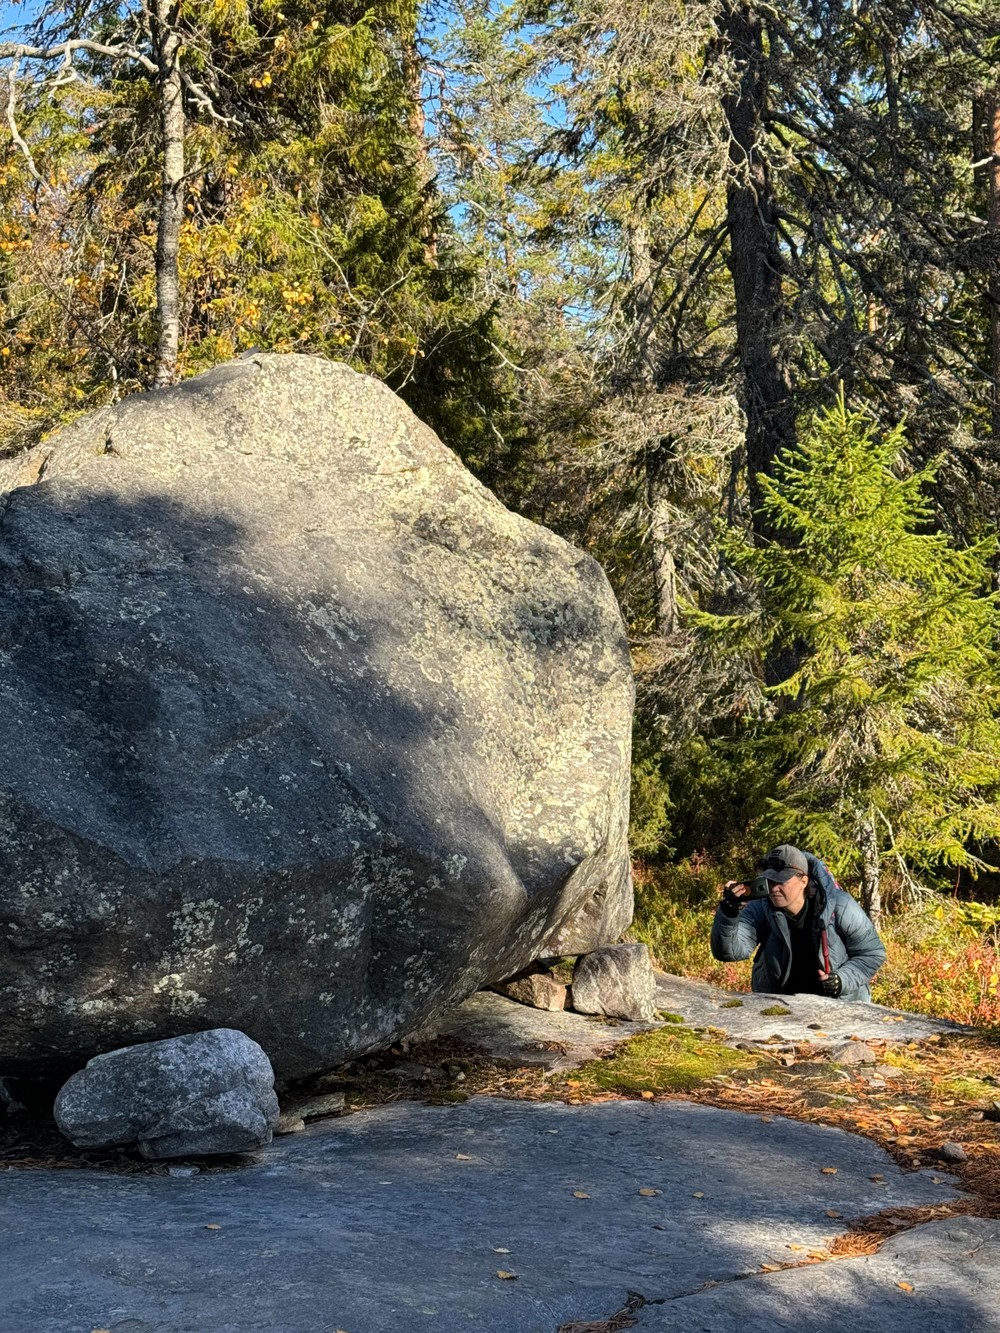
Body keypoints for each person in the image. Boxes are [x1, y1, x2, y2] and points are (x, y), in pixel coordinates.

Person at [710, 844, 886, 1000]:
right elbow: (729, 953)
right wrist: (729, 911)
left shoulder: (840, 906)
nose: (774, 888)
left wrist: (841, 980)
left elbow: (872, 953)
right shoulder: (762, 906)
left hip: (838, 1006)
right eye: (770, 881)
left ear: (804, 881)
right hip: (782, 1004)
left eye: (781, 881)